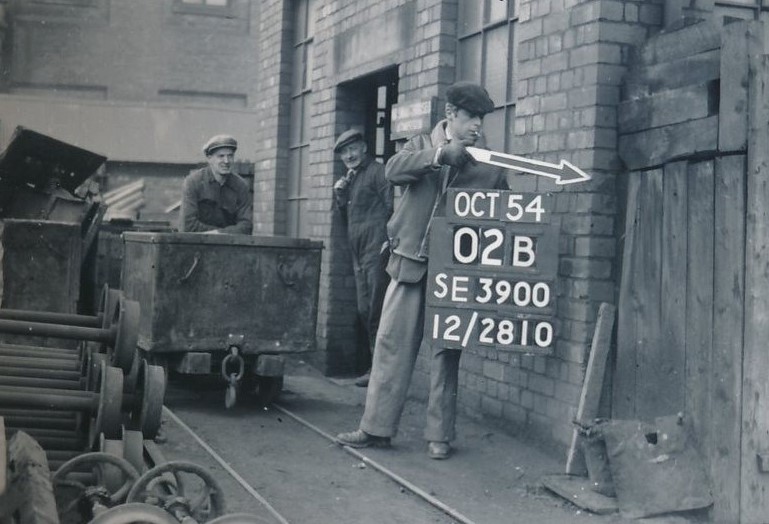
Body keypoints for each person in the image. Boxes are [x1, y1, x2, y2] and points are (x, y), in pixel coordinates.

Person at [335, 81, 509, 459]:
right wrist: (439, 156)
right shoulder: (418, 145)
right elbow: (393, 172)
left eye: (482, 118)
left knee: (446, 352)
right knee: (391, 344)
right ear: (450, 115)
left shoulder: (489, 164)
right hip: (410, 263)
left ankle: (439, 436)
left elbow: (502, 217)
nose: (478, 125)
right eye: (471, 117)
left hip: (455, 274)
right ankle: (376, 428)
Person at [332, 129, 393, 387]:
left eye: (353, 149)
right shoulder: (350, 178)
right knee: (365, 309)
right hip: (359, 254)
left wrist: (387, 242)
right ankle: (374, 368)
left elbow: (393, 207)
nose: (350, 155)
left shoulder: (379, 172)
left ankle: (378, 372)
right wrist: (340, 194)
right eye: (344, 152)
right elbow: (347, 216)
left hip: (375, 251)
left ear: (364, 148)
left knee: (376, 310)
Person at [180, 134, 253, 234]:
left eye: (230, 156)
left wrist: (218, 233)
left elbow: (246, 226)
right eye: (221, 156)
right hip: (197, 245)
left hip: (229, 246)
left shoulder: (241, 186)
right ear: (209, 158)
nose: (226, 161)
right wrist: (222, 233)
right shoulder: (193, 183)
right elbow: (187, 226)